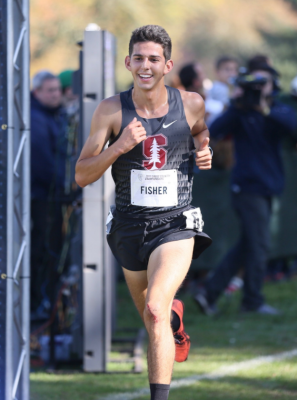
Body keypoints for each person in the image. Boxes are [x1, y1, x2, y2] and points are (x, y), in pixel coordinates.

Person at [75, 25, 212, 400]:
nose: (145, 66)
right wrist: (119, 146)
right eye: (139, 58)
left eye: (153, 59)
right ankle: (174, 321)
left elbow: (201, 130)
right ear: (128, 62)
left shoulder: (191, 102)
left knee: (153, 308)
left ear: (167, 64)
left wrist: (205, 149)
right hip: (128, 228)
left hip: (175, 224)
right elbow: (82, 175)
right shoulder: (110, 109)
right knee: (157, 319)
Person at [195, 60, 297, 316]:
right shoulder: (240, 113)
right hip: (247, 187)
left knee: (250, 243)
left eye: (263, 83)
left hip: (268, 187)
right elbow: (214, 130)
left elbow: (292, 127)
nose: (258, 88)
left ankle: (209, 293)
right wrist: (236, 104)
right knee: (259, 244)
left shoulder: (277, 110)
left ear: (273, 85)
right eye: (255, 82)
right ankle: (252, 300)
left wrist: (264, 109)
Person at [30, 70, 68, 316]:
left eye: (57, 90)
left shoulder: (53, 116)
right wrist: (69, 184)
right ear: (37, 92)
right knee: (42, 251)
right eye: (50, 90)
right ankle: (37, 304)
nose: (56, 95)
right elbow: (44, 164)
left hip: (51, 196)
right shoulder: (36, 120)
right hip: (42, 198)